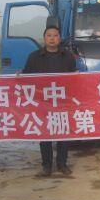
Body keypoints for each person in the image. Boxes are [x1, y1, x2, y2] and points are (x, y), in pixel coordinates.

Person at [23, 25, 77, 177]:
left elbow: (73, 78)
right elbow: (27, 78)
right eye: (49, 35)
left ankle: (62, 164)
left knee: (63, 134)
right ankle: (46, 165)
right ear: (44, 38)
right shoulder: (34, 57)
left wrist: (76, 76)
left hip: (62, 101)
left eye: (55, 35)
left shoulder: (68, 56)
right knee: (45, 134)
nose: (52, 38)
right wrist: (20, 76)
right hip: (43, 102)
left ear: (59, 38)